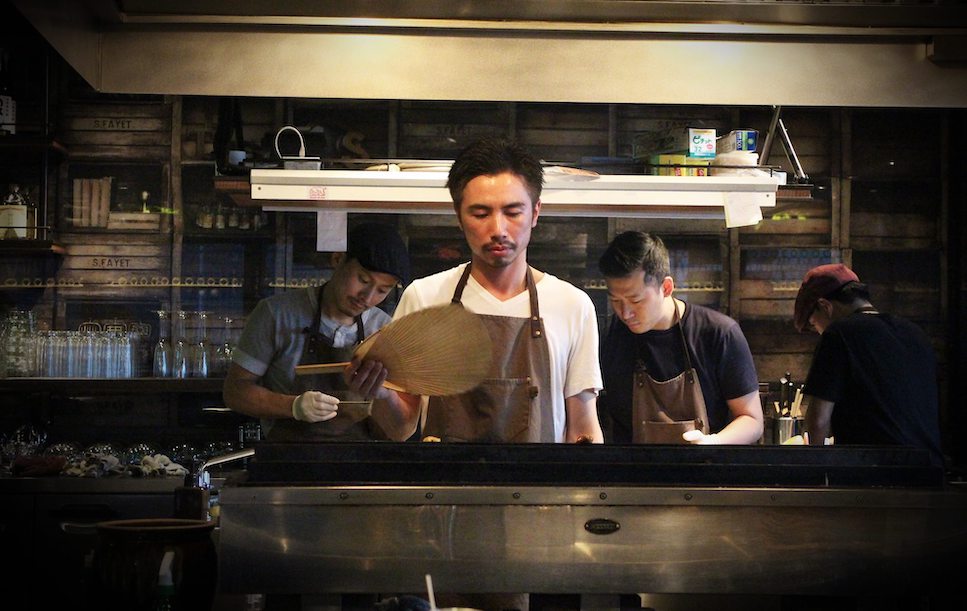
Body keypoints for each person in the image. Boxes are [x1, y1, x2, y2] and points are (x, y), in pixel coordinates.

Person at [391, 136, 604, 446]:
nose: (498, 230)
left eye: (513, 212)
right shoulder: (423, 297)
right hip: (442, 491)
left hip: (540, 493)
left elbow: (583, 429)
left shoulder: (572, 305)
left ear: (535, 213)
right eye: (480, 214)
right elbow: (399, 429)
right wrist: (377, 392)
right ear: (458, 216)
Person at [223, 222, 415, 442]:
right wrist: (292, 406)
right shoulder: (276, 314)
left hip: (360, 467)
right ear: (337, 259)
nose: (368, 297)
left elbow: (401, 432)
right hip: (287, 466)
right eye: (362, 280)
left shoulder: (386, 332)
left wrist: (385, 395)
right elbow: (235, 391)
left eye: (382, 290)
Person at [598, 231, 763, 445]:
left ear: (666, 287)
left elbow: (751, 419)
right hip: (632, 475)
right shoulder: (611, 335)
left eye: (635, 300)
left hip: (704, 471)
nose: (625, 313)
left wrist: (712, 442)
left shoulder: (719, 334)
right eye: (616, 301)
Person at [794, 263, 943, 466]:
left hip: (872, 473)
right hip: (929, 470)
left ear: (824, 306)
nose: (817, 331)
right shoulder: (915, 333)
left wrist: (815, 470)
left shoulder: (838, 334)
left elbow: (818, 420)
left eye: (813, 323)